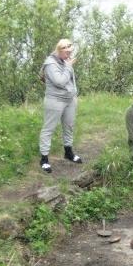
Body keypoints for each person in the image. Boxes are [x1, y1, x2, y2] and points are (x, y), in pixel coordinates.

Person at [38, 38, 82, 173]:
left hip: (69, 100)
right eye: (67, 52)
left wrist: (74, 94)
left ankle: (68, 152)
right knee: (48, 128)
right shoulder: (50, 63)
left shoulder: (64, 61)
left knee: (69, 126)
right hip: (55, 100)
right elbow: (60, 81)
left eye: (71, 52)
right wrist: (69, 66)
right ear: (59, 50)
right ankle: (44, 159)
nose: (69, 55)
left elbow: (70, 80)